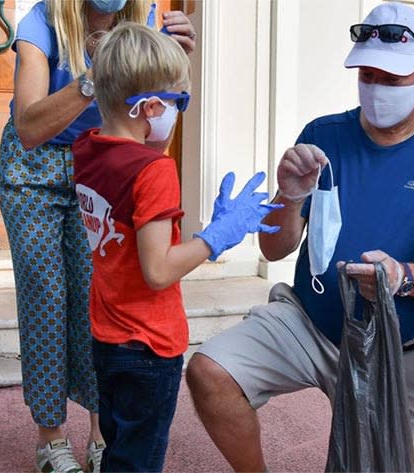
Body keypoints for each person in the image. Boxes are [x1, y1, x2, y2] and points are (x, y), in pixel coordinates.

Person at [186, 3, 414, 471]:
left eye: (391, 78)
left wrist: (402, 277)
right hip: (309, 323)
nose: (376, 89)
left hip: (395, 345)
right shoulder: (323, 134)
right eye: (367, 75)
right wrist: (289, 196)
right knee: (210, 372)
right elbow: (274, 248)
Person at [0, 1, 195, 472]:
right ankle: (51, 438)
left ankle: (102, 432)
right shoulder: (40, 22)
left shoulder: (143, 18)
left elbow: (152, 126)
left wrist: (172, 62)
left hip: (105, 163)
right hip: (36, 166)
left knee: (99, 295)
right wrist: (95, 78)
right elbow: (27, 127)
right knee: (46, 297)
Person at [71, 22, 279, 472]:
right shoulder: (154, 170)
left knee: (119, 447)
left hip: (106, 337)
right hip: (149, 343)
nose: (177, 111)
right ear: (149, 106)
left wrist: (208, 236)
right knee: (138, 460)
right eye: (177, 102)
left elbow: (135, 235)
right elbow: (159, 271)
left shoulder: (87, 149)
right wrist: (216, 235)